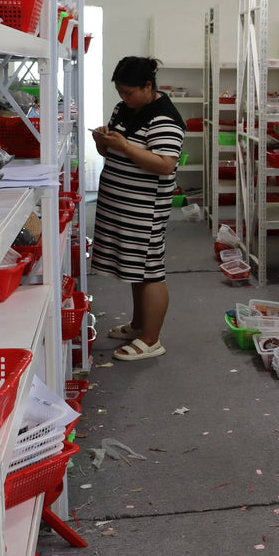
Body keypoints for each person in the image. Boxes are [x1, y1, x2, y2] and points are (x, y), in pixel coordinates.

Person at [91, 56, 186, 361]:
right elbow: (113, 149)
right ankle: (138, 325)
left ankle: (151, 339)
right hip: (121, 203)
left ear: (148, 86)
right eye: (120, 92)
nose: (123, 98)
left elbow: (165, 164)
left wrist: (126, 147)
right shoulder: (125, 109)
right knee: (135, 268)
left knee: (150, 272)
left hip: (144, 208)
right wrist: (103, 140)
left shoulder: (164, 118)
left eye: (129, 92)